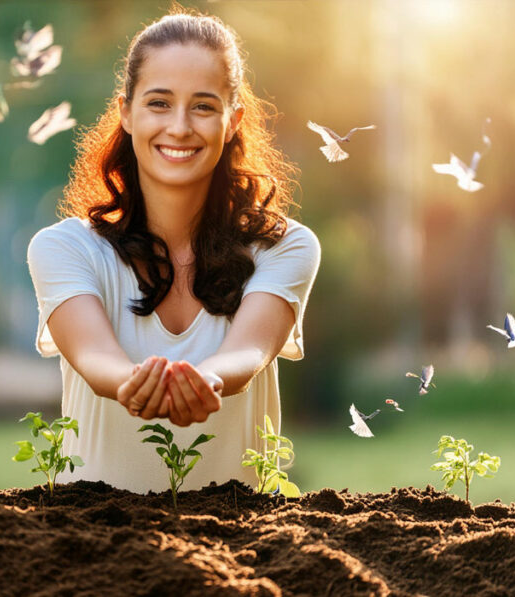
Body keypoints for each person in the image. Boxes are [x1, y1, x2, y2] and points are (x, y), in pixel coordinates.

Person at [27, 8, 320, 493]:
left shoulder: (284, 246)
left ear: (232, 122)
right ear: (126, 112)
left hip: (244, 550)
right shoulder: (64, 249)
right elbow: (95, 358)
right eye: (159, 103)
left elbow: (248, 351)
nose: (180, 127)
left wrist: (205, 382)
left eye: (203, 106)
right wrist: (128, 383)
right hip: (87, 545)